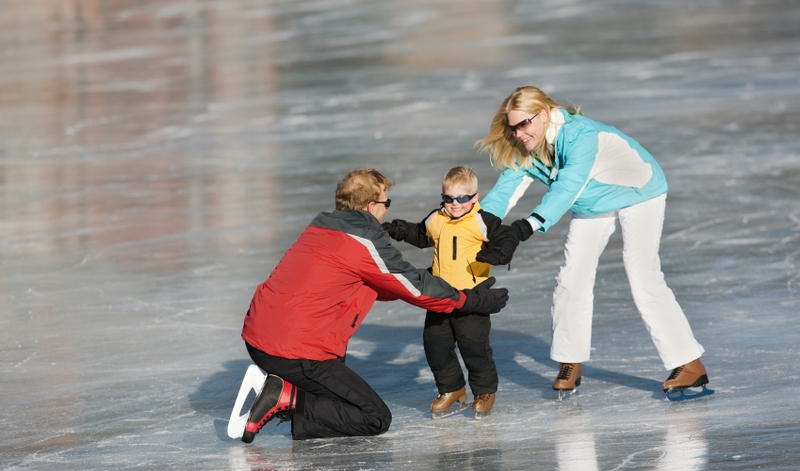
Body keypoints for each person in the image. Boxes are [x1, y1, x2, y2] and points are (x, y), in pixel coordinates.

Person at [239, 168, 509, 443]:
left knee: (335, 388)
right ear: (371, 206)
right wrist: (468, 299)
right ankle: (287, 396)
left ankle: (288, 392)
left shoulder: (321, 226)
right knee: (374, 417)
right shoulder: (364, 239)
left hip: (259, 338)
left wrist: (434, 282)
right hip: (295, 351)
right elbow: (413, 288)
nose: (386, 210)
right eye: (386, 203)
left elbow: (382, 283)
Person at [475, 86, 709, 398]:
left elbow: (567, 187)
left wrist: (522, 229)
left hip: (639, 192)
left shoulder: (581, 136)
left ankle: (689, 364)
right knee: (572, 278)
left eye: (524, 124)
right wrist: (475, 228)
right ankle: (570, 362)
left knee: (642, 274)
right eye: (513, 126)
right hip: (592, 202)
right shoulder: (526, 144)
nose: (518, 133)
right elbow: (505, 190)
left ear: (543, 115)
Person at [382, 166, 518, 418]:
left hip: (472, 298)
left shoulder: (481, 221)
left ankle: (484, 391)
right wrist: (393, 229)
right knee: (435, 345)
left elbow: (506, 237)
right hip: (439, 295)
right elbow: (420, 234)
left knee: (474, 346)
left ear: (475, 198)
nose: (455, 204)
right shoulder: (437, 218)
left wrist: (498, 253)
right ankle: (452, 388)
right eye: (448, 198)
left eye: (462, 198)